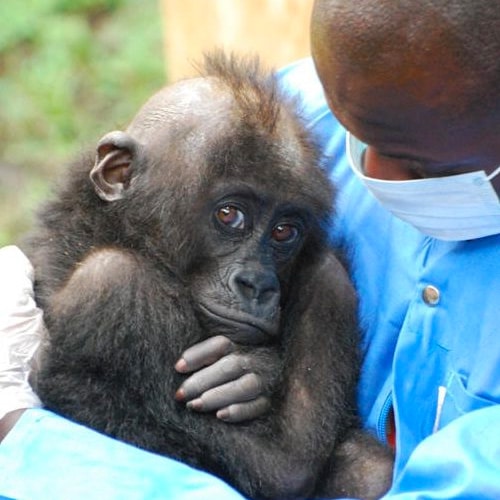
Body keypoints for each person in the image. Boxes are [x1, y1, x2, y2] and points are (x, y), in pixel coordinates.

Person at [1, 0, 499, 498]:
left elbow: (290, 470)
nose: (375, 177)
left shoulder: (437, 98)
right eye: (228, 218)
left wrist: (26, 436)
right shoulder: (336, 98)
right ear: (117, 174)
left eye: (282, 235)